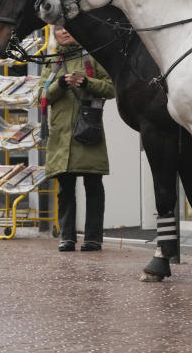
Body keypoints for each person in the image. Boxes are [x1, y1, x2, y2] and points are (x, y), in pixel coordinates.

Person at [39, 25, 116, 252]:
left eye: (69, 27)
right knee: (65, 189)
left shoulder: (92, 56)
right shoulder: (52, 60)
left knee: (93, 186)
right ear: (54, 33)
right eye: (60, 28)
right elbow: (40, 96)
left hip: (88, 132)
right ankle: (67, 237)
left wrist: (86, 83)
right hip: (61, 136)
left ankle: (93, 238)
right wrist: (61, 84)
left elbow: (111, 88)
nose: (65, 31)